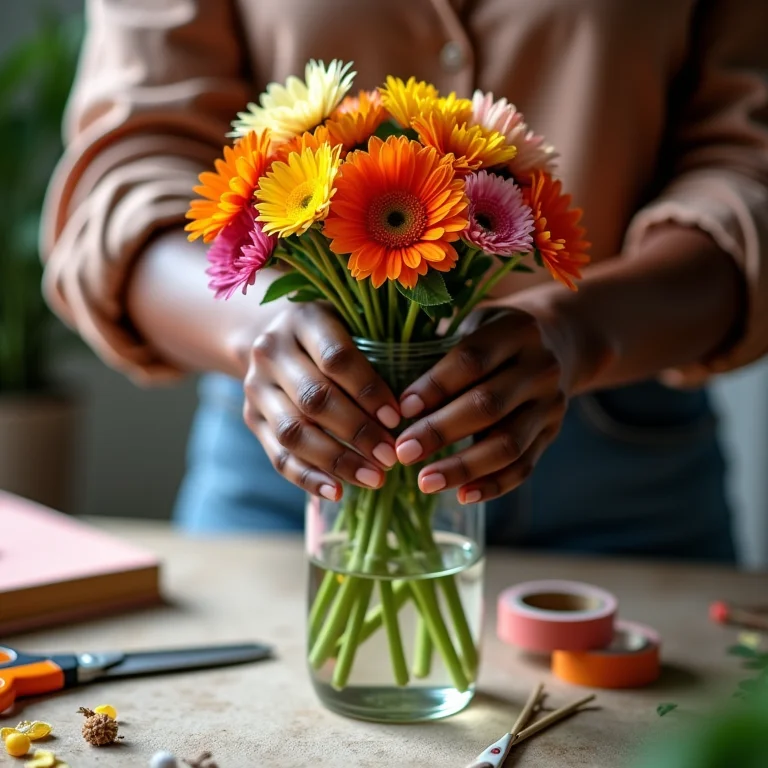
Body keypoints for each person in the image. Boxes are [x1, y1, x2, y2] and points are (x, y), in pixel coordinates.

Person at [42, 0, 768, 562]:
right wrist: (253, 328)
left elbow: (747, 164)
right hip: (299, 435)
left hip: (626, 468)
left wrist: (582, 330)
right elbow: (129, 170)